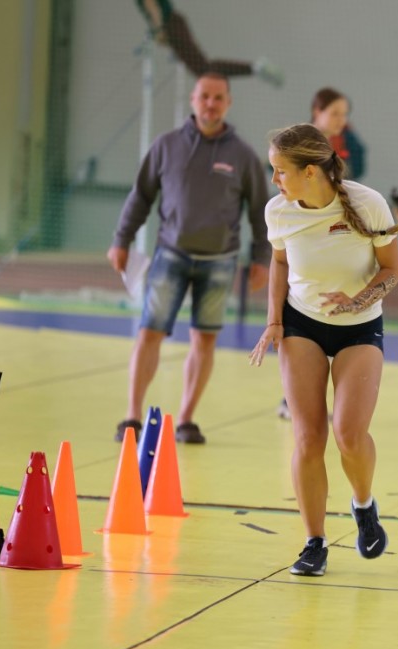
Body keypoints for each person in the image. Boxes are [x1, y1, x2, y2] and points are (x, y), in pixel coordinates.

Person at [248, 123, 398, 576]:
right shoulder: (278, 211)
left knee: (349, 435)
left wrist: (357, 301)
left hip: (360, 326)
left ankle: (364, 505)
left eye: (281, 170)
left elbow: (392, 269)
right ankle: (314, 542)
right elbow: (280, 263)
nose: (275, 180)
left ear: (310, 171)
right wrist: (275, 321)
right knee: (308, 436)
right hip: (302, 324)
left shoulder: (366, 203)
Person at [108, 72, 271, 444]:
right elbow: (140, 196)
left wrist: (261, 258)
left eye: (218, 97)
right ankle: (132, 416)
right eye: (204, 96)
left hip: (220, 263)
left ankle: (186, 419)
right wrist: (121, 240)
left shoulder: (243, 156)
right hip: (171, 255)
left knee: (204, 340)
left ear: (228, 103)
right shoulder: (166, 146)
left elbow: (260, 210)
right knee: (149, 332)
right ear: (194, 100)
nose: (211, 103)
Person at [277, 87, 368, 420]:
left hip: (338, 232)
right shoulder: (299, 143)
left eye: (345, 114)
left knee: (333, 305)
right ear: (317, 112)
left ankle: (337, 396)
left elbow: (356, 173)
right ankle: (293, 396)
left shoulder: (349, 143)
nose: (341, 120)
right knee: (300, 300)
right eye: (335, 113)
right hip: (305, 234)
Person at [135, 0, 283, 86]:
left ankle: (255, 67)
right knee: (204, 70)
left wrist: (159, 30)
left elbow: (152, 6)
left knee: (204, 70)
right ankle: (254, 68)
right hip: (173, 24)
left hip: (171, 25)